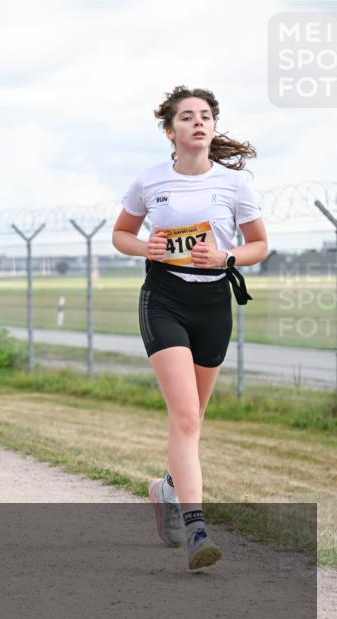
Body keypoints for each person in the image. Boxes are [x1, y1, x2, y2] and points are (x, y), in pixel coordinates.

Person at [112, 86, 268, 570]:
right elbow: (121, 234)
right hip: (164, 299)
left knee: (194, 419)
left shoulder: (234, 185)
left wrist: (226, 257)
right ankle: (197, 528)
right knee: (183, 417)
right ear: (170, 130)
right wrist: (146, 248)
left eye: (205, 116)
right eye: (187, 116)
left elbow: (259, 245)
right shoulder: (150, 180)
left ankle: (167, 488)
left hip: (213, 303)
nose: (198, 122)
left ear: (213, 126)